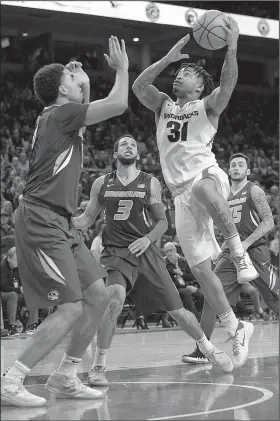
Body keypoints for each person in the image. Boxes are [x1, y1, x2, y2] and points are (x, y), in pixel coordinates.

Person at [1, 36, 129, 407]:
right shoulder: (60, 115)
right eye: (72, 80)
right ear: (61, 90)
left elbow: (86, 104)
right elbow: (118, 104)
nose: (78, 80)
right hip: (42, 219)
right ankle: (12, 379)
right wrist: (120, 70)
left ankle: (66, 375)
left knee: (99, 296)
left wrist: (85, 82)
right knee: (71, 306)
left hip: (62, 222)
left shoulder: (61, 119)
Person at [132, 18, 256, 368]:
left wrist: (231, 47)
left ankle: (239, 254)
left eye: (187, 73)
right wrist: (168, 59)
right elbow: (140, 87)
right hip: (178, 193)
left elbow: (228, 85)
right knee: (201, 270)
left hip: (205, 176)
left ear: (200, 86)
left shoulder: (207, 106)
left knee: (203, 187)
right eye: (179, 72)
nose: (179, 76)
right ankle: (235, 327)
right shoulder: (163, 106)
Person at [73, 135, 234, 388]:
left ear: (137, 155)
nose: (128, 146)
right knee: (113, 299)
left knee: (178, 312)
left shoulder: (150, 182)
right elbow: (87, 218)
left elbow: (162, 223)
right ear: (115, 154)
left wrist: (148, 239)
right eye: (123, 144)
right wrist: (65, 221)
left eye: (133, 145)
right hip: (115, 252)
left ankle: (208, 349)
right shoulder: (101, 183)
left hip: (145, 251)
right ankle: (99, 366)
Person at [182, 153, 279, 363]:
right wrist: (223, 248)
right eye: (233, 164)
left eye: (240, 165)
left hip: (255, 250)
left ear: (248, 171)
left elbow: (269, 222)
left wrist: (245, 243)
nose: (235, 168)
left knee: (274, 298)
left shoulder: (254, 190)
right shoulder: (222, 195)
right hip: (231, 255)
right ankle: (203, 350)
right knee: (210, 294)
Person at [163, 242, 203, 321]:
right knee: (186, 292)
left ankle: (200, 314)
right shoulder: (164, 264)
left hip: (188, 285)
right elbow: (167, 281)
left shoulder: (183, 261)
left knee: (202, 294)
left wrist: (182, 273)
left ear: (175, 250)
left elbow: (192, 276)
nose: (169, 253)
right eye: (166, 251)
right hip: (175, 288)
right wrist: (185, 286)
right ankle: (196, 318)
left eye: (170, 250)